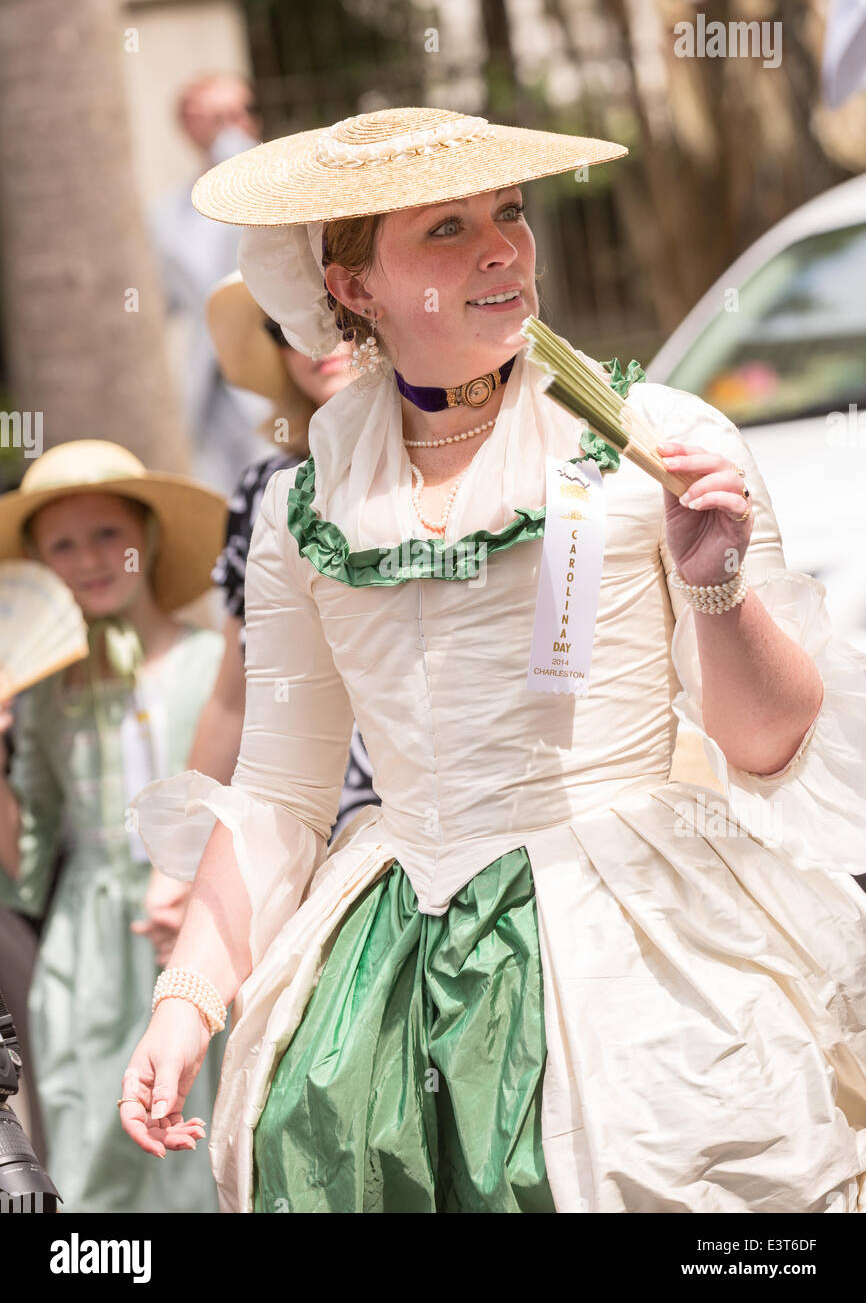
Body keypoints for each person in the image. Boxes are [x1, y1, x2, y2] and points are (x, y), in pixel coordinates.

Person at [122, 108, 866, 1214]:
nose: (501, 249)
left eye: (510, 213)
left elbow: (763, 746)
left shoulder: (647, 441)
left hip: (633, 952)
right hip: (385, 978)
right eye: (447, 228)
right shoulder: (300, 509)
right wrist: (188, 997)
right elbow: (281, 790)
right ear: (354, 286)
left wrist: (714, 584)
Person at [0, 439, 228, 1212]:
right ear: (35, 561)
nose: (90, 559)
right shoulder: (42, 699)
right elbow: (23, 864)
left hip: (199, 936)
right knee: (93, 1149)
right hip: (88, 955)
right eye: (61, 544)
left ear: (149, 538)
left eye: (108, 534)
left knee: (212, 1144)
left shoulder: (209, 665)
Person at [138, 276, 380, 949]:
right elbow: (234, 697)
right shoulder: (264, 494)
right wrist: (180, 864)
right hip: (313, 839)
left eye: (333, 315)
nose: (317, 341)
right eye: (286, 327)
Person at [150, 73, 271, 494]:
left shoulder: (276, 186)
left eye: (243, 113)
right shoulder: (166, 214)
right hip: (209, 382)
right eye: (219, 118)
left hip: (277, 367)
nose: (235, 126)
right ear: (189, 125)